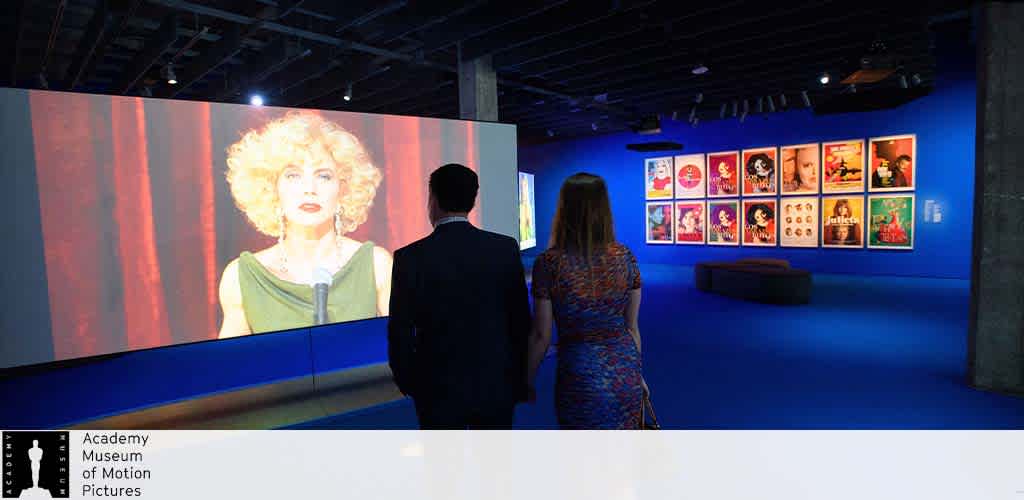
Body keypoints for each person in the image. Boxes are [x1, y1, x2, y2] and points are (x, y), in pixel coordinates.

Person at [218, 112, 393, 338]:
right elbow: (231, 366)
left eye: (324, 176)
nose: (309, 188)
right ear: (272, 190)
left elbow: (404, 351)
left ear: (343, 190)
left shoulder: (376, 265)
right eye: (293, 176)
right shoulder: (241, 277)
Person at [387, 164, 531, 429]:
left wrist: (409, 382)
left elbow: (400, 330)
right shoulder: (504, 248)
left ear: (433, 199)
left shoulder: (410, 258)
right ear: (473, 200)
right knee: (495, 467)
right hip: (495, 383)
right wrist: (519, 377)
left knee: (444, 468)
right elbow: (520, 321)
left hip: (435, 388)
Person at [526, 173, 646, 429]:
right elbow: (632, 328)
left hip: (580, 380)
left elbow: (540, 335)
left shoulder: (549, 263)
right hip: (626, 375)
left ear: (564, 209)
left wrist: (525, 380)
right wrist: (638, 375)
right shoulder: (626, 257)